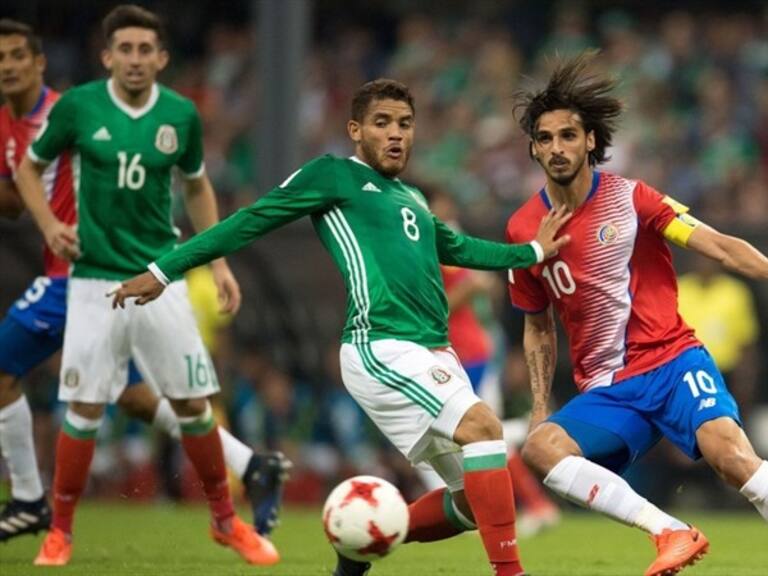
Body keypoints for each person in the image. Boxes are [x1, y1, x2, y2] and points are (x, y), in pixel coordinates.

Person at [112, 78, 571, 576]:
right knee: (485, 429)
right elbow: (249, 221)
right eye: (382, 123)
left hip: (436, 354)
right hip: (381, 344)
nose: (396, 134)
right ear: (355, 130)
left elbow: (459, 248)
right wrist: (164, 270)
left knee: (470, 503)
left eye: (405, 124)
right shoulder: (332, 176)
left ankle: (353, 550)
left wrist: (532, 252)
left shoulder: (413, 197)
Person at [13, 7, 279, 566]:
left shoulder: (181, 115)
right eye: (125, 49)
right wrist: (49, 225)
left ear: (161, 57)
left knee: (193, 405)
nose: (135, 59)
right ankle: (59, 531)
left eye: (145, 50)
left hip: (163, 277)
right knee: (84, 408)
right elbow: (27, 169)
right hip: (93, 282)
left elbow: (198, 186)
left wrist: (220, 263)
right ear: (107, 55)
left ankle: (225, 522)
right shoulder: (80, 107)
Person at [505, 51, 768, 576]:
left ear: (592, 142)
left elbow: (715, 245)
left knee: (734, 460)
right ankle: (670, 532)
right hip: (608, 389)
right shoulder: (522, 230)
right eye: (545, 138)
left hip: (674, 363)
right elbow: (537, 325)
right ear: (534, 148)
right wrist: (538, 404)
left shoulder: (633, 199)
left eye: (568, 135)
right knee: (541, 448)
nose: (557, 147)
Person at [423, 185, 560, 536]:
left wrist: (429, 313)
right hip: (466, 350)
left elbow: (474, 289)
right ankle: (508, 504)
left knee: (484, 432)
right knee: (478, 432)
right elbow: (487, 285)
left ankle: (533, 499)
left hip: (469, 353)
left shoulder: (442, 240)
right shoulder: (444, 239)